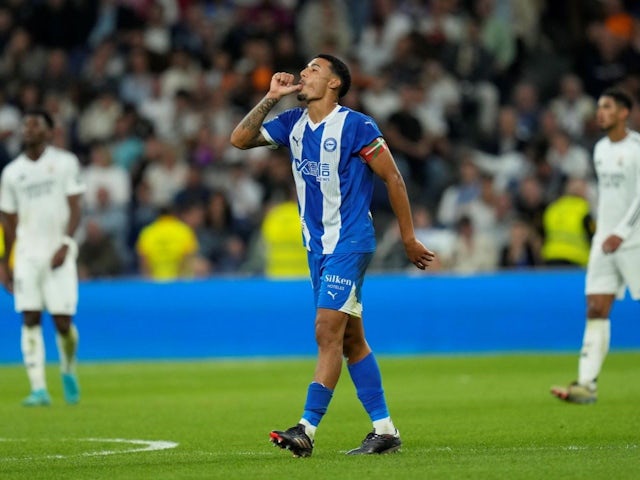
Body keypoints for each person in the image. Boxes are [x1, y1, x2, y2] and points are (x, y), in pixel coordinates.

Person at [230, 54, 434, 456]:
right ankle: (385, 430)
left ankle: (306, 428)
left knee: (326, 330)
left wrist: (409, 237)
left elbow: (392, 177)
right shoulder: (292, 124)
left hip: (350, 241)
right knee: (351, 340)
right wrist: (272, 96)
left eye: (314, 70)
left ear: (335, 83)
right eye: (304, 69)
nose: (304, 74)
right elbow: (239, 139)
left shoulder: (357, 126)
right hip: (316, 247)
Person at [551, 88, 640, 404]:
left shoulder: (636, 149)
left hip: (633, 241)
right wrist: (605, 234)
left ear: (624, 113)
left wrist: (623, 231)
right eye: (599, 107)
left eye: (607, 107)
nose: (600, 112)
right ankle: (586, 385)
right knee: (596, 307)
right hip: (605, 242)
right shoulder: (600, 149)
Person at [0, 108, 85, 406]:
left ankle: (68, 368)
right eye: (25, 125)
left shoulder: (64, 163)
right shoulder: (11, 173)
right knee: (30, 317)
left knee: (63, 322)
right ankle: (38, 388)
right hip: (26, 255)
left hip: (58, 252)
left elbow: (76, 207)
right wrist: (4, 262)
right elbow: (7, 221)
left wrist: (65, 243)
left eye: (35, 124)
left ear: (49, 132)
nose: (28, 129)